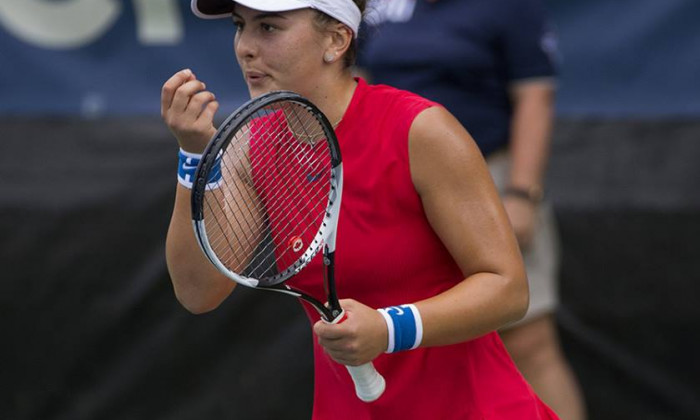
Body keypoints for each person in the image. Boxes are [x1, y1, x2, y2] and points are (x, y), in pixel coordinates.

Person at [162, 0, 558, 418]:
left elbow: (508, 289)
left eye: (270, 28)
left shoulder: (421, 131)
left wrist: (388, 329)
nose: (245, 46)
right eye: (241, 26)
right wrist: (193, 155)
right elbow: (198, 292)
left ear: (335, 40)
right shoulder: (251, 145)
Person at [358, 1, 586, 419]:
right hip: (399, 188)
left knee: (529, 340)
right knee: (420, 344)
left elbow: (535, 97)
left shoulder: (508, 7)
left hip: (490, 180)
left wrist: (520, 192)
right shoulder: (384, 7)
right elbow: (362, 82)